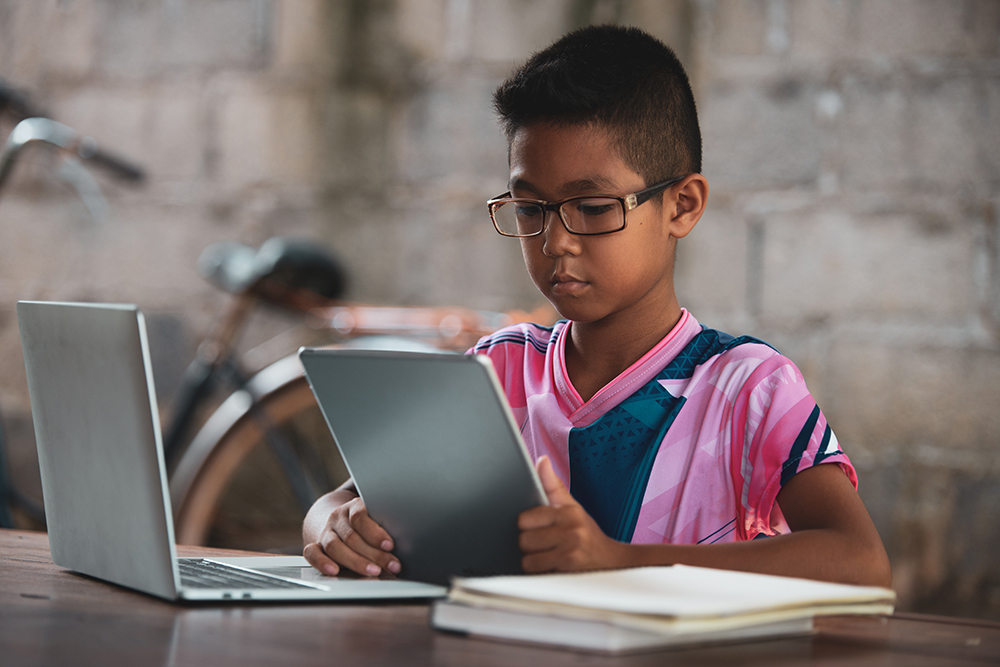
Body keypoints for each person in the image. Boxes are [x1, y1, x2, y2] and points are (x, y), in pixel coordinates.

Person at [302, 25, 891, 587]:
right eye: (531, 208)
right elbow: (351, 500)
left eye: (592, 207)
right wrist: (329, 523)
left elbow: (861, 562)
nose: (556, 241)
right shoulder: (499, 371)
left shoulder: (747, 389)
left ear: (682, 206)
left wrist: (620, 563)